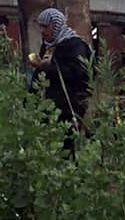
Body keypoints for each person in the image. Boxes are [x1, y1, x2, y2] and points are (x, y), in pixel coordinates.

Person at [29, 8, 92, 140]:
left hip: (68, 107)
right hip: (48, 107)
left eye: (45, 27)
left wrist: (48, 68)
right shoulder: (49, 45)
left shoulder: (75, 45)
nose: (42, 31)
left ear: (56, 25)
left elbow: (78, 74)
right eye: (40, 26)